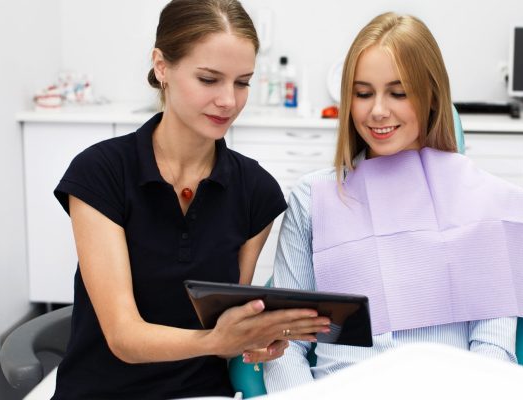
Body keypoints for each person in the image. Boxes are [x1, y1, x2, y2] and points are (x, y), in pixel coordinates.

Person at [50, 1, 330, 398]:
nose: (229, 101)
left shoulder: (256, 191)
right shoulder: (101, 173)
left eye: (242, 82)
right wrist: (219, 341)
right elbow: (123, 337)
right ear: (162, 66)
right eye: (209, 79)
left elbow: (225, 319)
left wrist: (253, 338)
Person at [264, 13, 523, 391]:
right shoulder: (313, 198)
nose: (378, 110)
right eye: (363, 94)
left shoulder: (479, 201)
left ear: (430, 97)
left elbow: (493, 348)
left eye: (399, 92)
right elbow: (285, 344)